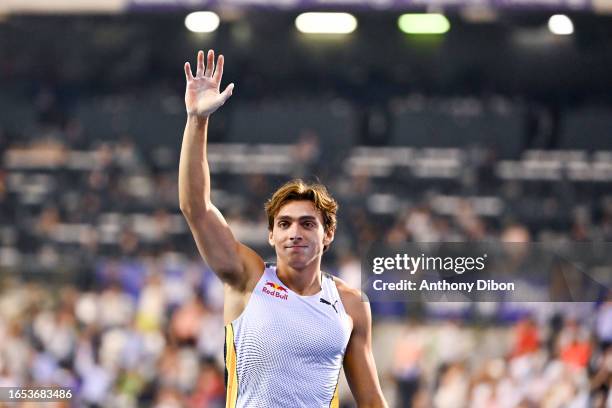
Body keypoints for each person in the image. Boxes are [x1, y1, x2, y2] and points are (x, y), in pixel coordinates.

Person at [179, 49, 388, 408]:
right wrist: (197, 121)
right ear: (271, 235)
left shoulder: (351, 305)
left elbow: (371, 402)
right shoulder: (247, 278)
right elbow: (196, 208)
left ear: (328, 234)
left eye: (308, 224)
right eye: (284, 224)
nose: (295, 232)